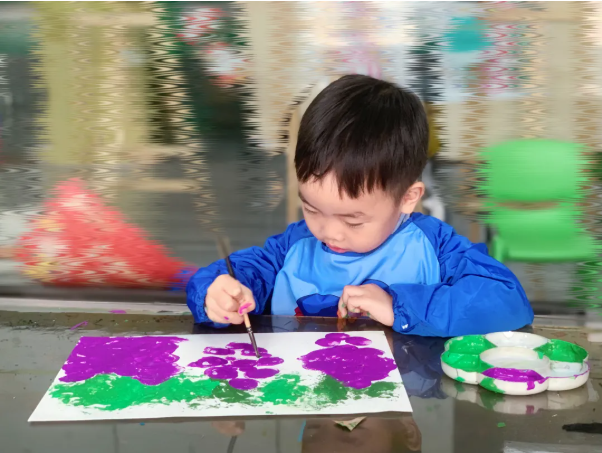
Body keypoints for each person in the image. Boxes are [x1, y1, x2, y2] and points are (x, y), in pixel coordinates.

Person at [186, 74, 533, 337]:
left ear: (407, 198)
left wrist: (398, 306)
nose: (329, 232)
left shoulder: (436, 248)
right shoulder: (293, 247)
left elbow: (507, 301)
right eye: (311, 209)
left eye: (353, 220)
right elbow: (231, 275)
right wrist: (216, 294)